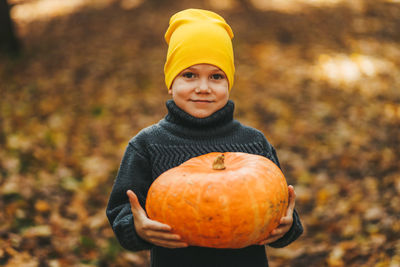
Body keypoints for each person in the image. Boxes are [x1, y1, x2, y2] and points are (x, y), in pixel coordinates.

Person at [106, 8, 303, 267]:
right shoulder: (148, 145)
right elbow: (120, 210)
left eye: (216, 76)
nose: (203, 87)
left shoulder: (253, 144)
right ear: (170, 81)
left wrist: (287, 227)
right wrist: (137, 229)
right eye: (189, 75)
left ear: (229, 83)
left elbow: (276, 206)